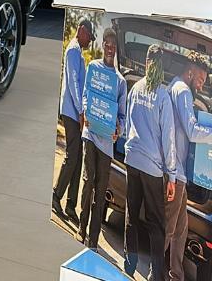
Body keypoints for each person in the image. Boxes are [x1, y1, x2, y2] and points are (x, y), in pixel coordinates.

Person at [123, 44, 177, 281]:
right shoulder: (163, 95)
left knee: (131, 212)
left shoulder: (135, 88)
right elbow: (169, 139)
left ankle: (129, 261)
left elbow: (127, 126)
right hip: (152, 167)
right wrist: (172, 175)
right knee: (156, 222)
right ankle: (157, 276)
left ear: (146, 62)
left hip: (132, 159)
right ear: (162, 66)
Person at [78, 28, 128, 248]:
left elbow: (122, 116)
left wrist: (119, 129)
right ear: (102, 46)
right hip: (90, 133)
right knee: (88, 182)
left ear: (116, 51)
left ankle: (94, 238)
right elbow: (86, 95)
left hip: (107, 143)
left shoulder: (120, 81)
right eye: (107, 44)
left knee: (101, 189)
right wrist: (86, 111)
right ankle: (82, 227)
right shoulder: (93, 67)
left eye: (113, 46)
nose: (110, 49)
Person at [165, 50, 212, 281]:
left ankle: (176, 275)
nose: (201, 86)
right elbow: (192, 131)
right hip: (175, 172)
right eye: (201, 80)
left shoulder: (173, 86)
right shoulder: (183, 91)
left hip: (175, 170)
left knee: (181, 228)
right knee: (168, 227)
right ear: (191, 72)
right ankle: (157, 272)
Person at [54, 20, 95, 226]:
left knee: (78, 160)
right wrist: (80, 111)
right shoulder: (72, 50)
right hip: (71, 112)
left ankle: (71, 205)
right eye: (90, 36)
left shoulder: (78, 51)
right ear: (82, 30)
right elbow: (72, 83)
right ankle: (56, 196)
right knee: (72, 156)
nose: (90, 41)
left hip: (76, 112)